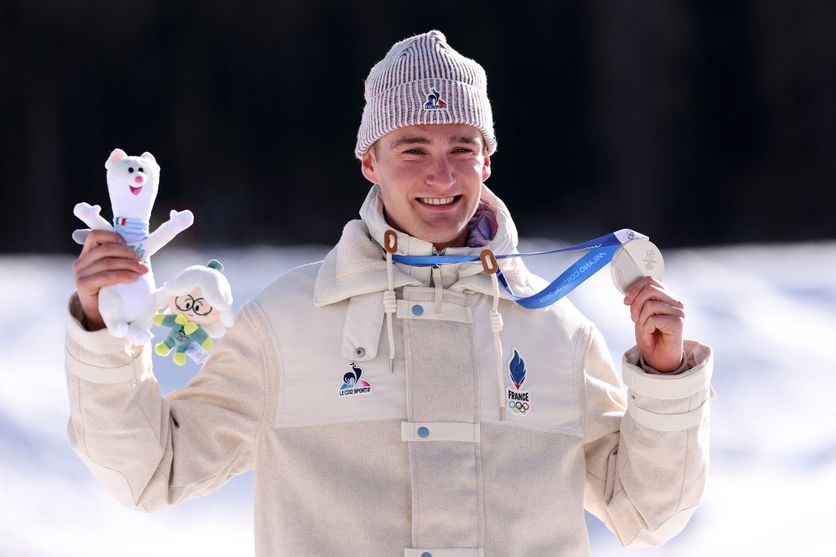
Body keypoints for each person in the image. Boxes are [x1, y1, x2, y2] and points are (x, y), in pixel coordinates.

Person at [66, 30, 714, 556]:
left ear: (487, 160)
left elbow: (648, 510)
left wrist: (665, 382)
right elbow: (151, 470)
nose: (441, 172)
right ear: (369, 161)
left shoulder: (558, 336)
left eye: (462, 146)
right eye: (412, 147)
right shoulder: (289, 325)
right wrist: (104, 334)